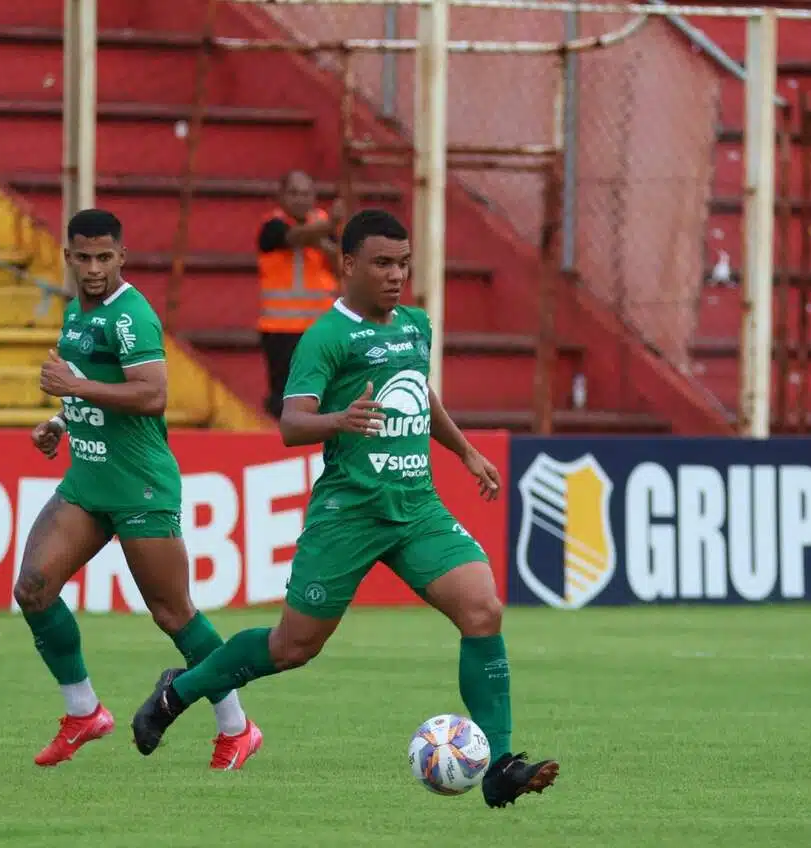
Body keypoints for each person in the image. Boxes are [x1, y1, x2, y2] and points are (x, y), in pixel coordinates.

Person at [130, 209, 560, 808]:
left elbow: (419, 392)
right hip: (348, 514)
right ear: (350, 264)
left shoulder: (414, 326)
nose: (396, 275)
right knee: (292, 648)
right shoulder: (325, 338)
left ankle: (500, 765)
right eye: (383, 263)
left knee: (483, 610)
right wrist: (341, 420)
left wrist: (465, 451)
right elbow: (291, 423)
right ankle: (181, 691)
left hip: (416, 509)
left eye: (404, 264)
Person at [22, 208, 261, 770]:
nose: (94, 268)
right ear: (68, 258)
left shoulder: (131, 316)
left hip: (139, 486)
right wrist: (61, 420)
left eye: (105, 257)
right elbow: (93, 389)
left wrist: (73, 385)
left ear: (121, 257)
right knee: (33, 588)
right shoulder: (77, 314)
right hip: (89, 479)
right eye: (83, 257)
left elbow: (152, 394)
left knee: (173, 612)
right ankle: (83, 712)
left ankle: (238, 726)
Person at [257, 170, 344, 418]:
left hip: (320, 328)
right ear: (281, 196)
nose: (301, 199)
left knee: (323, 393)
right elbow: (294, 236)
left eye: (306, 193)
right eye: (294, 193)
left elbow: (339, 266)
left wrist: (325, 235)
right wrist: (326, 226)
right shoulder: (272, 226)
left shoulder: (321, 226)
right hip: (282, 329)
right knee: (284, 398)